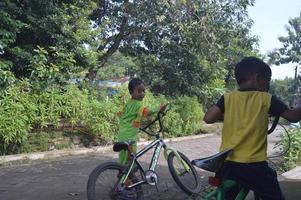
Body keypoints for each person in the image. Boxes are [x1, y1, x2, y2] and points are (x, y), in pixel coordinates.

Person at [203, 57, 301, 200]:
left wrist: (230, 114)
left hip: (227, 164)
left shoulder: (228, 98)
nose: (268, 85)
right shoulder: (266, 98)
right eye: (267, 80)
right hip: (253, 165)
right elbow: (293, 117)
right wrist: (299, 105)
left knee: (227, 195)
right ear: (257, 78)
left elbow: (208, 118)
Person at [117, 78, 166, 165]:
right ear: (131, 92)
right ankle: (127, 177)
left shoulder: (128, 103)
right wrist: (159, 108)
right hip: (129, 136)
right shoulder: (138, 104)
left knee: (124, 156)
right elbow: (147, 112)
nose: (142, 93)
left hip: (122, 133)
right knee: (131, 159)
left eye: (144, 91)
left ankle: (123, 173)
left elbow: (123, 115)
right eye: (139, 91)